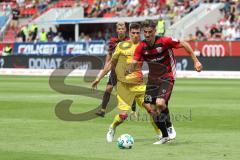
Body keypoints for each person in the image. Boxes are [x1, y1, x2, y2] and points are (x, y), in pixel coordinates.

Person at [126, 20, 203, 144]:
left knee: (160, 103)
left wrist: (196, 61)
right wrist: (128, 70)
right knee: (153, 109)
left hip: (167, 75)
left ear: (155, 31)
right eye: (145, 32)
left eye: (150, 32)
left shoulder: (165, 41)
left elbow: (184, 44)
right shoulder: (141, 47)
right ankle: (165, 136)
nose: (147, 35)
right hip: (152, 79)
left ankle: (169, 124)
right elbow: (134, 63)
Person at [91, 23, 160, 142]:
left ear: (140, 33)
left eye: (138, 33)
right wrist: (98, 78)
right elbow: (110, 64)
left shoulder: (144, 46)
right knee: (123, 116)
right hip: (124, 87)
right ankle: (112, 127)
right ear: (129, 33)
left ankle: (161, 134)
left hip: (139, 85)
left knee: (151, 110)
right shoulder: (121, 46)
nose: (135, 35)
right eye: (133, 33)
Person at [95, 22, 136, 117]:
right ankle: (102, 110)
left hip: (125, 69)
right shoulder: (113, 41)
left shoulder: (129, 41)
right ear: (117, 30)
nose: (121, 30)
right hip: (114, 69)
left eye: (122, 29)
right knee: (108, 88)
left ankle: (133, 110)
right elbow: (109, 54)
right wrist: (106, 65)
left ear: (126, 30)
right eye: (119, 29)